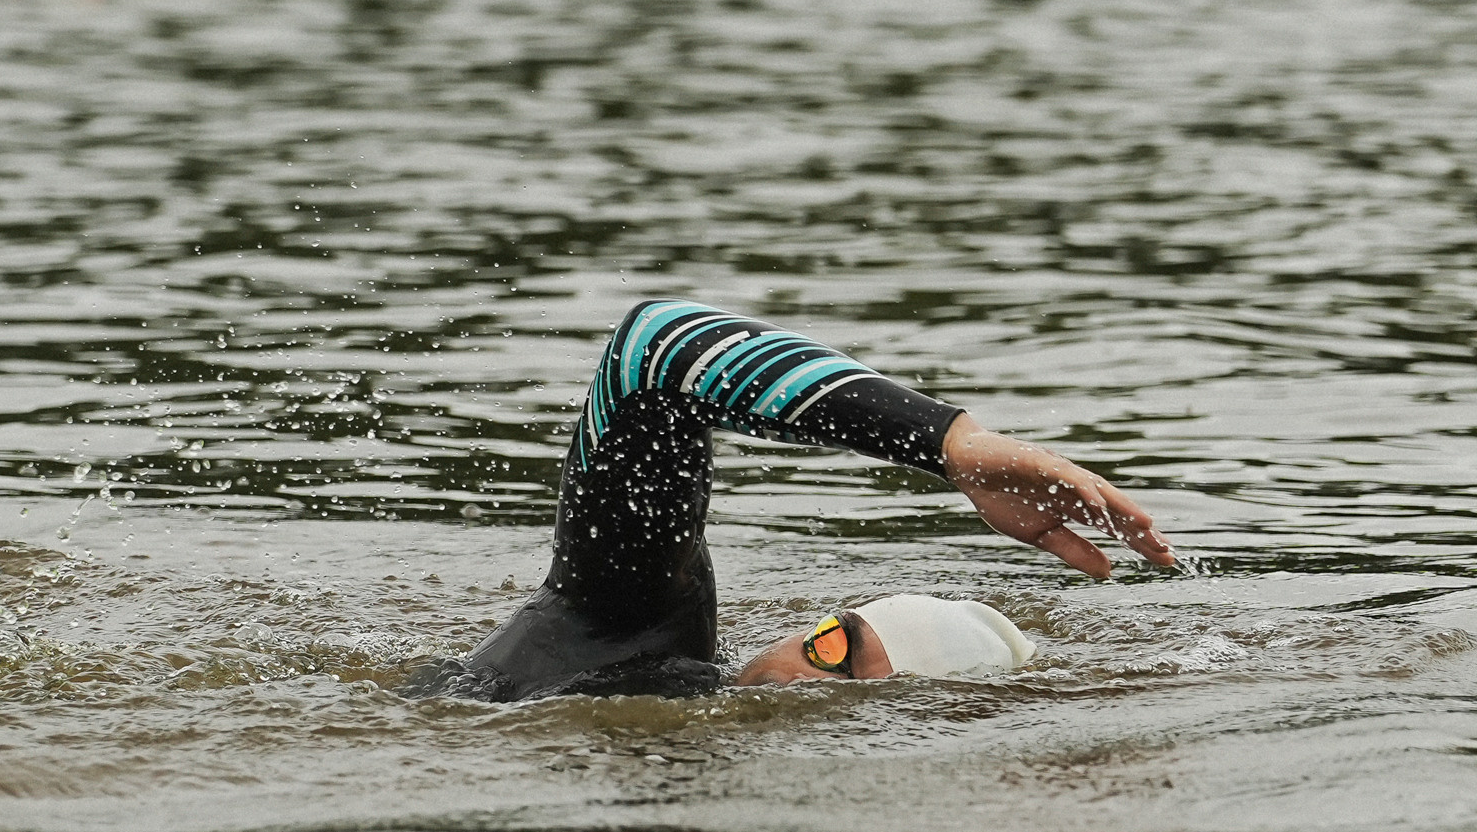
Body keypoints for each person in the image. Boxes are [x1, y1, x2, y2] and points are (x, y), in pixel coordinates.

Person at [431, 298, 1176, 701]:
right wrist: (950, 444)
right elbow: (654, 347)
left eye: (850, 688)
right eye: (832, 643)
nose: (809, 677)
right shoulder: (628, 627)